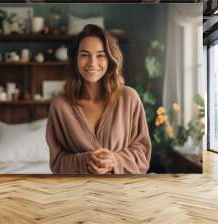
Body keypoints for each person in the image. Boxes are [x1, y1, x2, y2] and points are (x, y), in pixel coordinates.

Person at [46, 24, 151, 174]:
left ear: (110, 59)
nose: (92, 63)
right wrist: (85, 161)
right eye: (84, 55)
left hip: (122, 193)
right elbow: (57, 163)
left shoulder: (129, 98)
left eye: (100, 55)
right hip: (76, 193)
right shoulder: (60, 105)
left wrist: (114, 161)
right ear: (75, 59)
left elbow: (143, 156)